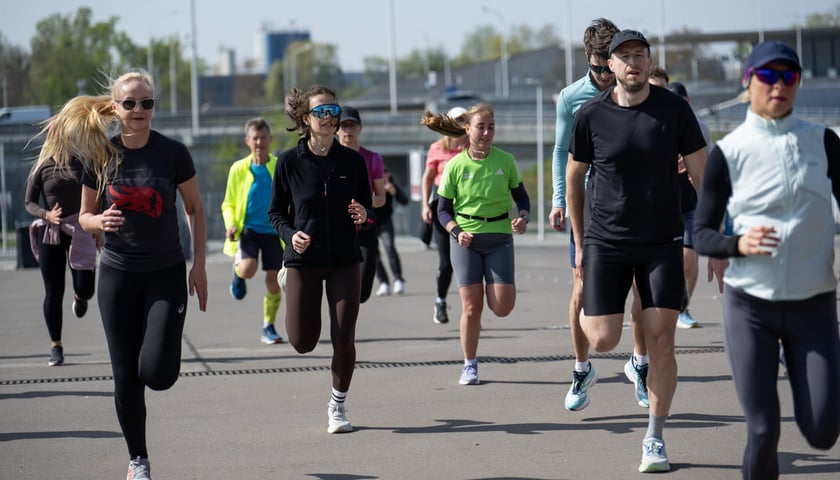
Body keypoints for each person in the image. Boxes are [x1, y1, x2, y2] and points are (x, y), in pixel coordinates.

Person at [693, 40, 840, 480]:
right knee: (763, 429)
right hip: (750, 306)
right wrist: (737, 245)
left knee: (822, 431)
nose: (779, 85)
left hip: (813, 305)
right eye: (768, 76)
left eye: (788, 76)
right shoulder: (728, 151)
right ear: (748, 82)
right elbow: (701, 234)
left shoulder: (823, 141)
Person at [567, 30, 707, 473]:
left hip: (662, 241)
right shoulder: (591, 115)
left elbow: (703, 176)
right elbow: (575, 177)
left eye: (640, 56)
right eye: (624, 57)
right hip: (605, 242)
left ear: (649, 62)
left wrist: (715, 235)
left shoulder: (675, 112)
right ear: (610, 66)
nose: (633, 63)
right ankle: (602, 360)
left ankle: (654, 439)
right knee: (602, 337)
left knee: (663, 342)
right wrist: (578, 240)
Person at [74, 70, 208, 480]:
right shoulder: (101, 155)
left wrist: (198, 265)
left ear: (153, 107)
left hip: (165, 273)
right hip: (118, 277)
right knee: (125, 376)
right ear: (115, 108)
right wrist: (100, 222)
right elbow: (84, 216)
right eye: (130, 103)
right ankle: (138, 461)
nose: (138, 111)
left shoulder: (173, 153)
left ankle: (162, 360)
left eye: (146, 103)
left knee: (157, 374)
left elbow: (194, 209)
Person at [548, 18, 649, 412]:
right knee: (579, 289)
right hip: (589, 202)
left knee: (643, 289)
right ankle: (582, 367)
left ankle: (639, 364)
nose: (606, 76)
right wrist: (559, 199)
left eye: (611, 67)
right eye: (598, 69)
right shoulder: (572, 97)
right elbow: (561, 152)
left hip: (633, 199)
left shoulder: (637, 91)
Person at [268, 85, 373, 434]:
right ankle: (290, 283)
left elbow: (365, 204)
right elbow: (275, 213)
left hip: (344, 257)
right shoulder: (288, 162)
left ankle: (338, 406)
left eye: (334, 111)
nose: (329, 118)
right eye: (321, 112)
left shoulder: (352, 161)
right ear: (305, 118)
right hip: (302, 258)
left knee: (344, 336)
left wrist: (362, 212)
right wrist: (289, 235)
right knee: (302, 342)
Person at [435, 102, 530, 385]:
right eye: (481, 127)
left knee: (502, 307)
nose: (486, 132)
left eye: (491, 127)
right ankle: (470, 364)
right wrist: (455, 231)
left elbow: (522, 198)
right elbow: (442, 211)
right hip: (466, 239)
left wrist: (523, 217)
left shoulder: (506, 161)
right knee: (472, 307)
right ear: (467, 129)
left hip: (500, 236)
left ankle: (494, 286)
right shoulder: (454, 165)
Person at [24, 97, 102, 367]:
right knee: (52, 291)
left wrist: (98, 226)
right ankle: (55, 346)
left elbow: (96, 195)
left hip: (80, 228)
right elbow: (29, 203)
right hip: (52, 232)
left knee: (86, 288)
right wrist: (46, 214)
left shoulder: (83, 162)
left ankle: (80, 298)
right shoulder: (42, 167)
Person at [221, 117, 285, 344]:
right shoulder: (238, 169)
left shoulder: (278, 166)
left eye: (263, 138)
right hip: (247, 230)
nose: (260, 142)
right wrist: (231, 224)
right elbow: (228, 202)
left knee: (274, 280)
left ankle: (268, 326)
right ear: (248, 141)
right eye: (255, 138)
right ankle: (238, 274)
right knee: (248, 269)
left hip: (274, 232)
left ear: (270, 139)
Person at [668, 81, 713, 329]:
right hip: (664, 204)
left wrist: (692, 165)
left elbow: (708, 166)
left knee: (689, 257)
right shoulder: (659, 126)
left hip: (690, 202)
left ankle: (683, 308)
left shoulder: (701, 128)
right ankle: (665, 306)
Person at [421, 106, 469, 324]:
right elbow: (428, 178)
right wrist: (424, 205)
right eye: (458, 119)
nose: (462, 123)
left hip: (467, 206)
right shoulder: (437, 148)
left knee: (467, 262)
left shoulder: (472, 146)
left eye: (465, 119)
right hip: (442, 206)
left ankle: (470, 309)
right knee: (446, 263)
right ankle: (440, 300)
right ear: (449, 122)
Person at [337, 106, 386, 303]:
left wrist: (364, 206)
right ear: (336, 129)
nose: (348, 130)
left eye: (353, 125)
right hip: (337, 230)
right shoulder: (329, 158)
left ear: (359, 129)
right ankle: (343, 328)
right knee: (340, 287)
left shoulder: (372, 158)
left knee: (363, 291)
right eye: (344, 125)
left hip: (365, 227)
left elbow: (381, 196)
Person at [375, 167, 409, 296]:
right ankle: (384, 282)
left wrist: (393, 192)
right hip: (370, 221)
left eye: (386, 174)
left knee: (389, 248)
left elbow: (404, 201)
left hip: (385, 221)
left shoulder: (391, 184)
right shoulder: (370, 183)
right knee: (373, 253)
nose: (384, 177)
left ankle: (398, 279)